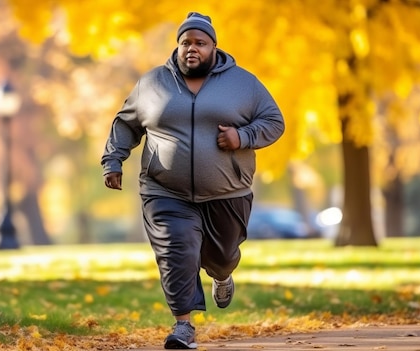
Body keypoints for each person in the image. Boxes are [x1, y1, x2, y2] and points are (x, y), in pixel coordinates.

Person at [101, 12, 285, 350]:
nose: (192, 49)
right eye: (186, 42)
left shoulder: (243, 84)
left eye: (200, 43)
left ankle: (222, 274)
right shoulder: (153, 83)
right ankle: (183, 325)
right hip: (164, 189)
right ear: (178, 46)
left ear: (214, 47)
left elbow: (274, 121)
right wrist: (113, 159)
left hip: (227, 190)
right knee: (178, 250)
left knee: (223, 255)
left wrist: (242, 137)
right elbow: (126, 123)